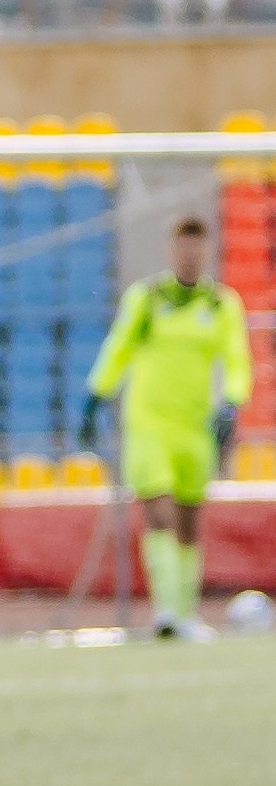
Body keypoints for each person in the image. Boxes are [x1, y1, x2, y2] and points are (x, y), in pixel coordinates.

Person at [82, 214, 253, 640]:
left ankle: (185, 612)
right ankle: (165, 613)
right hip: (149, 424)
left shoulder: (220, 305)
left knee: (190, 520)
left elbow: (236, 360)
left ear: (206, 251)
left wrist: (231, 403)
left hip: (194, 427)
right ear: (171, 251)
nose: (189, 255)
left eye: (197, 247)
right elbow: (119, 346)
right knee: (159, 511)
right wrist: (96, 393)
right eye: (182, 247)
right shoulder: (148, 299)